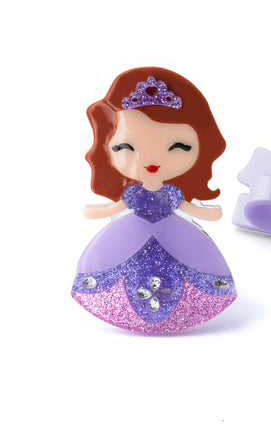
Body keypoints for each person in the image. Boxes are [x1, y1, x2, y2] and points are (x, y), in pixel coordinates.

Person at [72, 67, 236, 333]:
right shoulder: (131, 194)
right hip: (128, 233)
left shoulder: (173, 193)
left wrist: (209, 213)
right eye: (126, 147)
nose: (150, 160)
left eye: (178, 147)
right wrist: (94, 211)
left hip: (177, 233)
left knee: (191, 260)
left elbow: (187, 207)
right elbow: (115, 208)